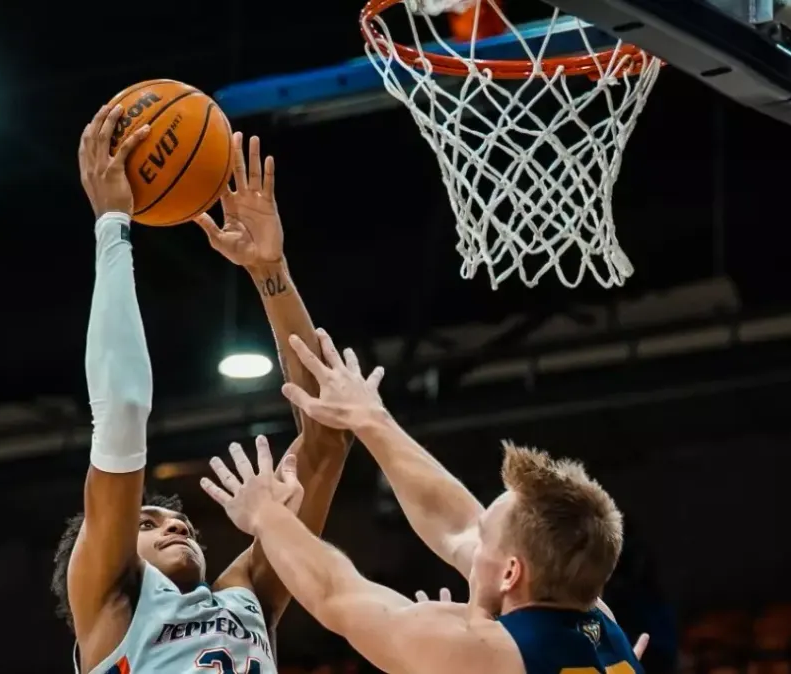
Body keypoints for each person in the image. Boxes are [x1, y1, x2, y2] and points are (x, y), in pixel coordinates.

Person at [51, 103, 351, 674]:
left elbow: (327, 434)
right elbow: (121, 414)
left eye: (175, 522)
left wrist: (272, 272)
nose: (176, 526)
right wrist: (112, 225)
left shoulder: (245, 597)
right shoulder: (111, 604)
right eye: (148, 523)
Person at [200, 328, 651, 674]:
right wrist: (373, 422)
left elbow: (335, 593)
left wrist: (266, 515)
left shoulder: (485, 653)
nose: (474, 534)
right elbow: (454, 522)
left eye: (485, 536)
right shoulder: (599, 620)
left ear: (512, 572)